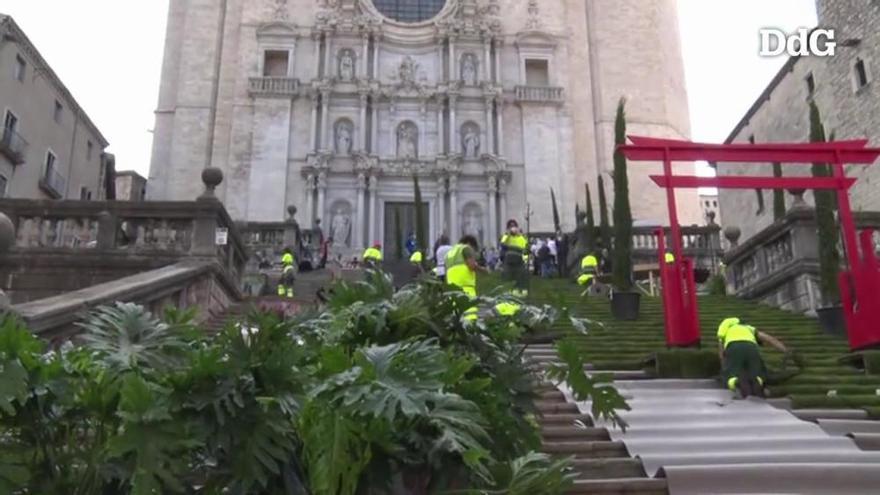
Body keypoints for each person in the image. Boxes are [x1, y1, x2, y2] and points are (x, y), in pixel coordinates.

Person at [717, 317, 789, 398]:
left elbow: (721, 350)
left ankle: (737, 382)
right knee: (758, 372)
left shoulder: (724, 329)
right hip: (751, 348)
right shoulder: (748, 328)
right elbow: (770, 339)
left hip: (733, 348)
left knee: (731, 375)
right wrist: (786, 350)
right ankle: (759, 386)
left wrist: (724, 366)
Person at [500, 219, 529, 296]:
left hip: (519, 261)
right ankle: (507, 294)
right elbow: (502, 243)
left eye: (514, 226)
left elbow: (525, 249)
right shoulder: (506, 237)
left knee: (519, 278)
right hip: (508, 261)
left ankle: (519, 293)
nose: (513, 228)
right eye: (510, 226)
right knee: (508, 278)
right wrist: (508, 234)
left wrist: (525, 261)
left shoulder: (521, 238)